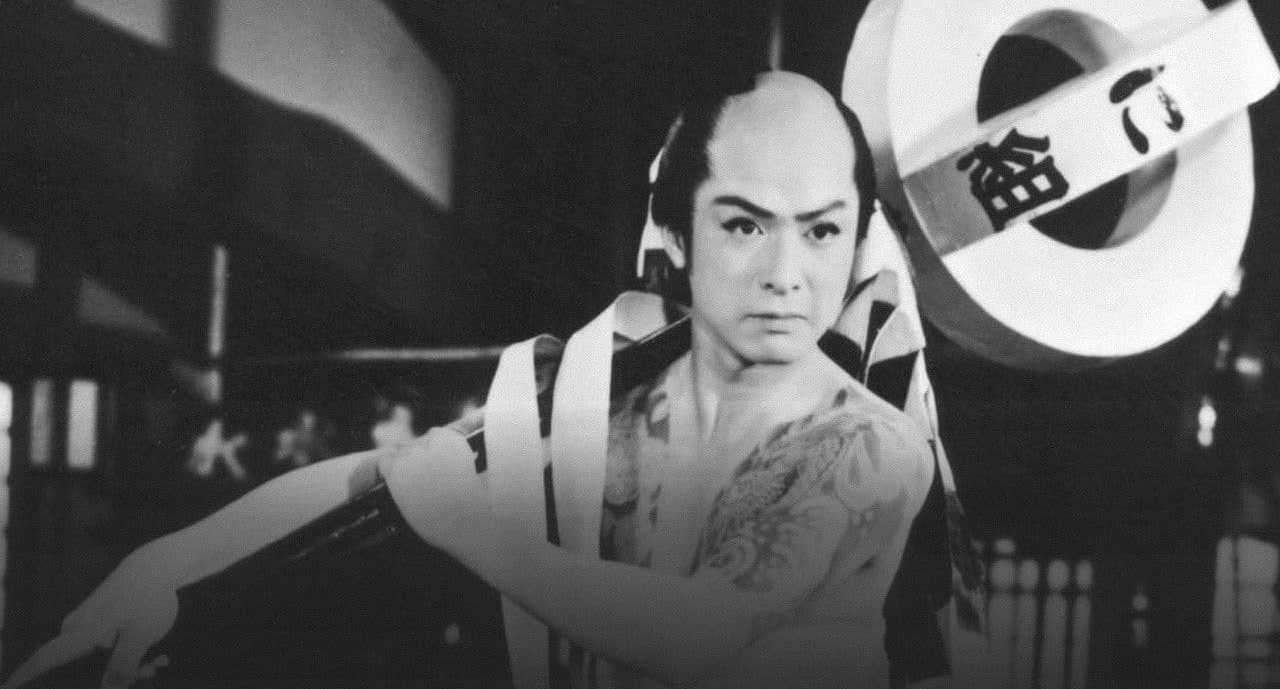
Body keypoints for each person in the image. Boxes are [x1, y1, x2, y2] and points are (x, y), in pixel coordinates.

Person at [5, 71, 936, 689]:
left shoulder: (872, 446)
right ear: (676, 233)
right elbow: (383, 479)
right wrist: (165, 567)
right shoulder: (599, 406)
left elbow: (703, 634)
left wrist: (467, 529)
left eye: (822, 230)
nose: (787, 273)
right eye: (745, 225)